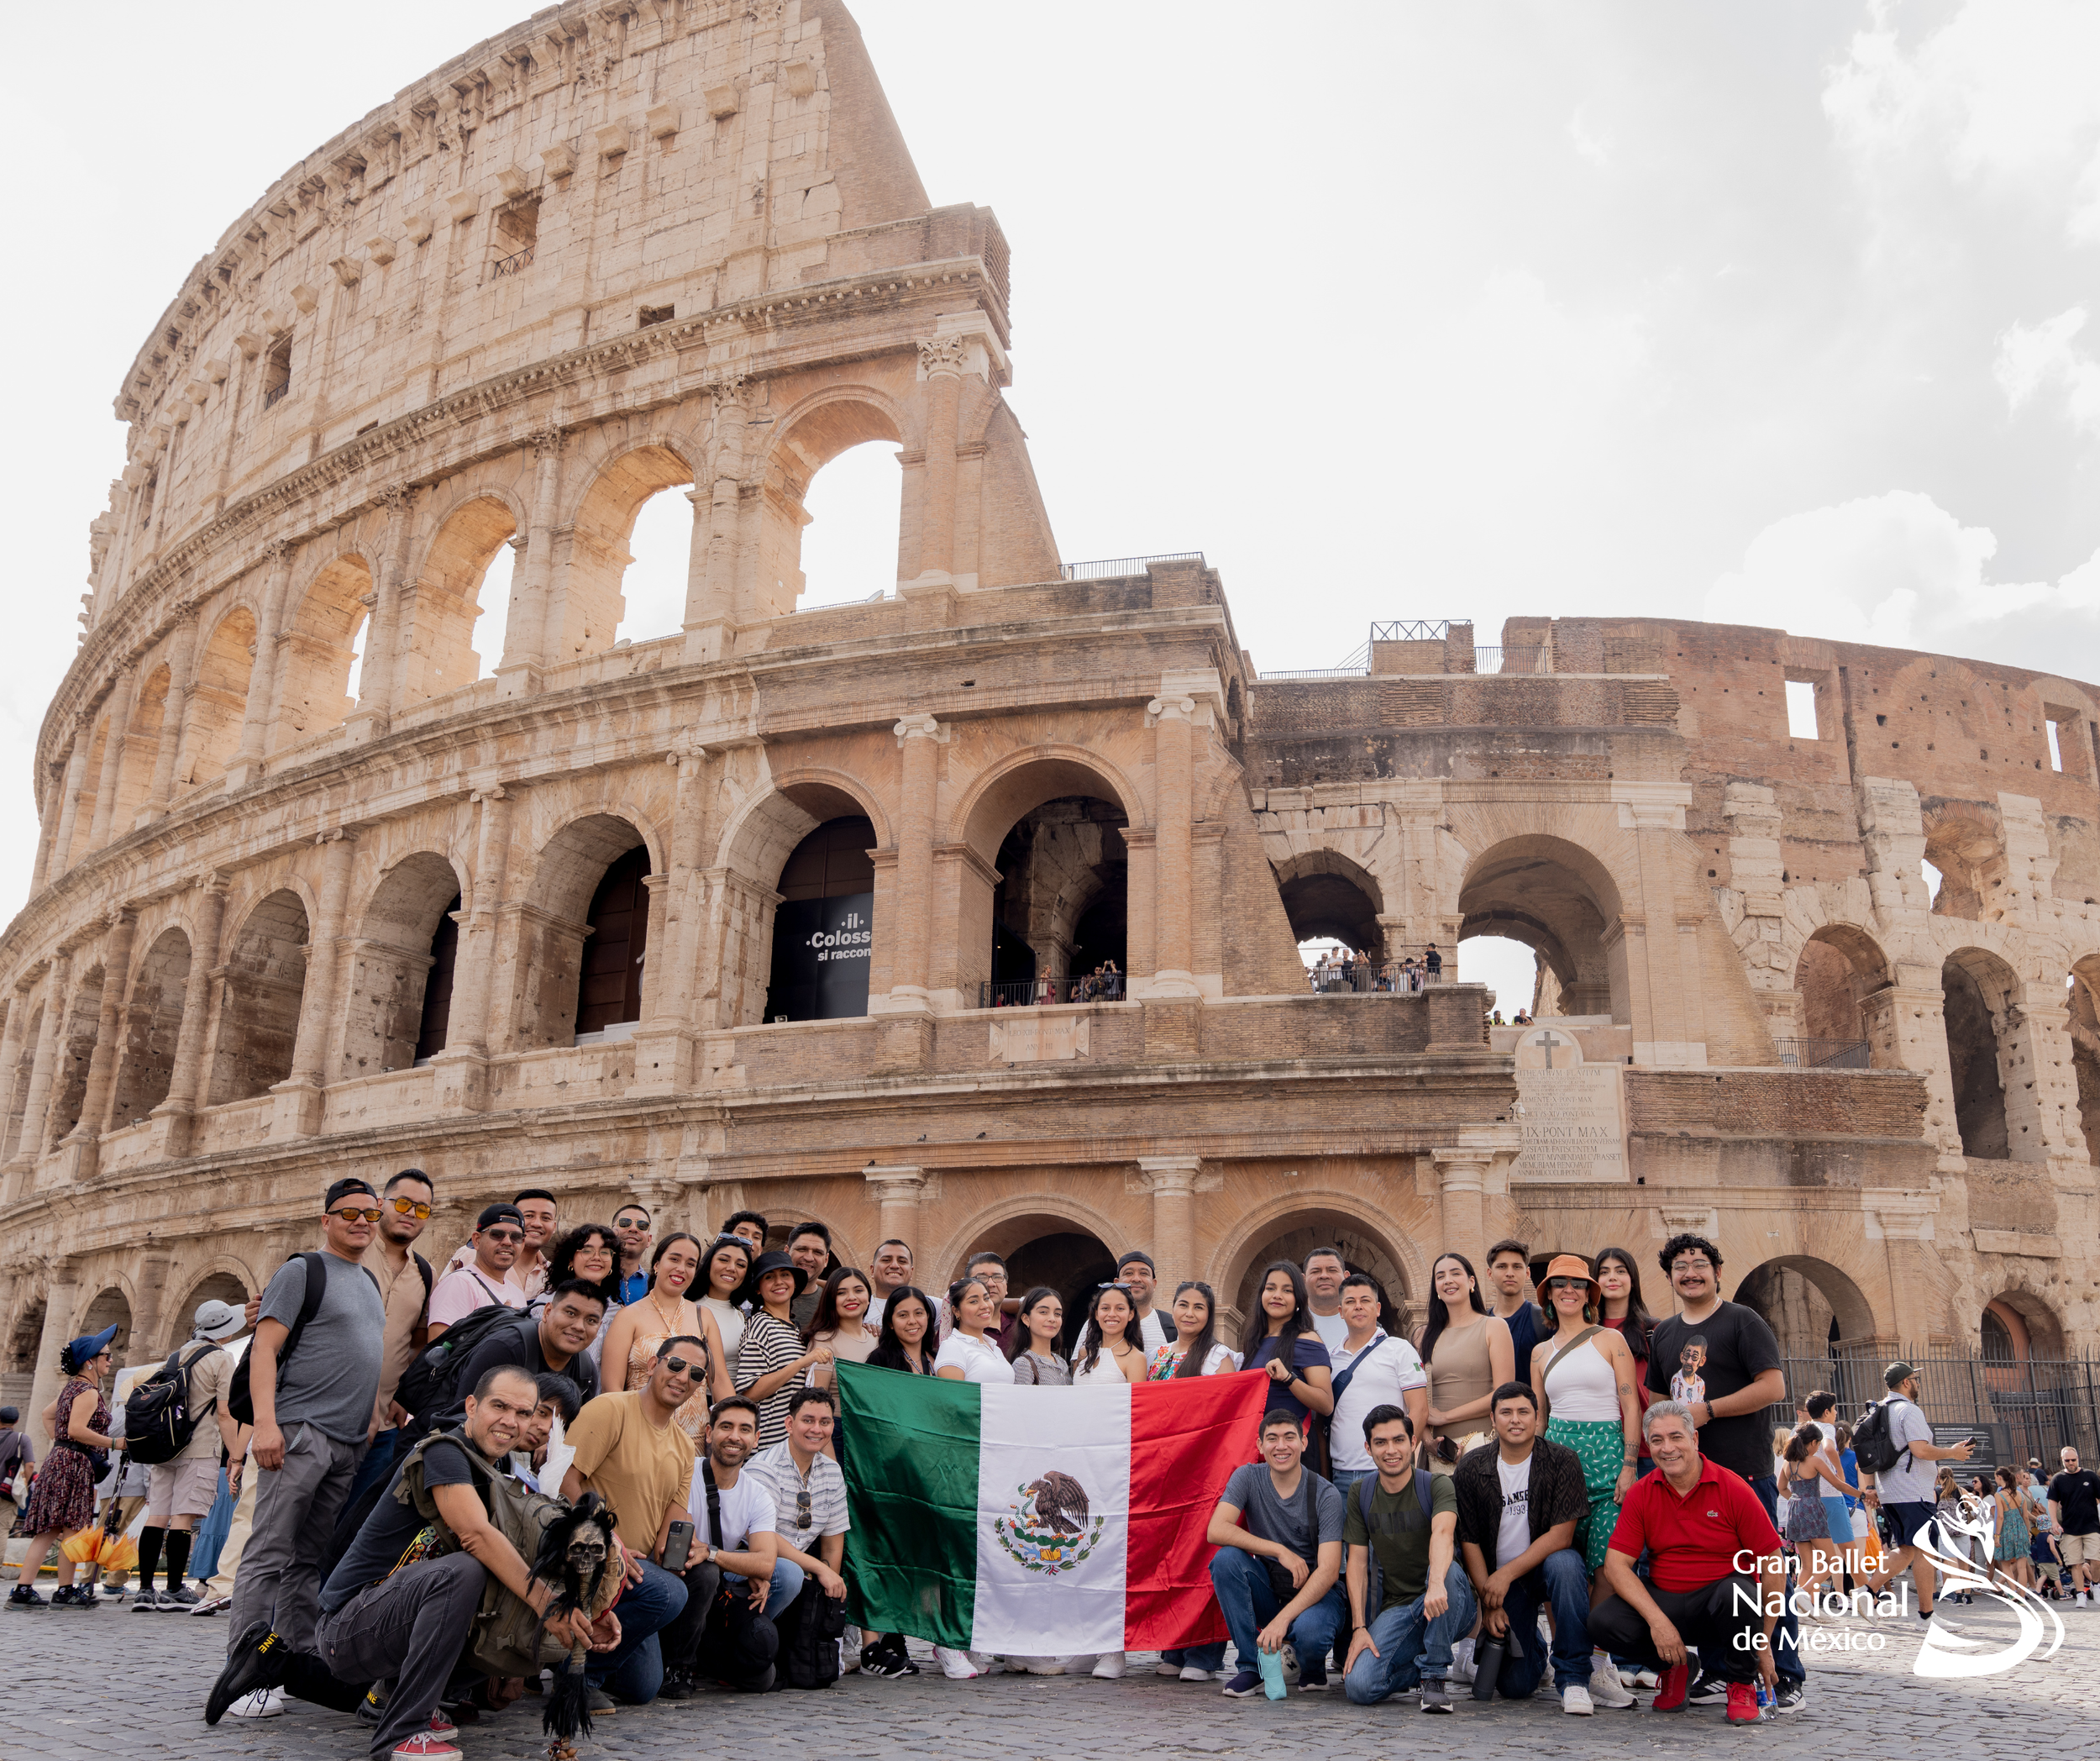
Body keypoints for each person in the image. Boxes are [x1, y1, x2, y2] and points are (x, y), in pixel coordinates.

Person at [311, 1364, 617, 1759]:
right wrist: (548, 1603)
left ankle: (396, 1695)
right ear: (472, 1406)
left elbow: (526, 1556)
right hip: (348, 1628)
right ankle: (402, 1733)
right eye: (499, 1406)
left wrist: (589, 1606)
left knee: (502, 1594)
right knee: (466, 1570)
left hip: (390, 1629)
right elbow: (476, 1535)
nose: (511, 1421)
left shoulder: (503, 1467)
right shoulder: (444, 1451)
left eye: (524, 1413)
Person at [218, 1178, 386, 1710]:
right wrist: (266, 1425)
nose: (362, 1222)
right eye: (350, 1213)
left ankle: (292, 1657)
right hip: (299, 1433)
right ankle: (243, 1672)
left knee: (308, 1559)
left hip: (345, 1442)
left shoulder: (367, 1281)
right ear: (327, 1220)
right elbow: (265, 1348)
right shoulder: (301, 1271)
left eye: (370, 1214)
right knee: (268, 1551)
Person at [1644, 1232, 1801, 1709]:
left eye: (1699, 1264)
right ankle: (1719, 1668)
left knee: (1765, 1570)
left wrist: (1706, 1412)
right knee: (1710, 1574)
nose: (1690, 1273)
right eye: (1680, 1267)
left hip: (1742, 1469)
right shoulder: (1666, 1333)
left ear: (1716, 1272)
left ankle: (1787, 1674)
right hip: (1687, 1482)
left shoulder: (1742, 1320)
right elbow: (1657, 1401)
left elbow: (1773, 1386)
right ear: (1670, 1277)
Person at [1588, 1400, 1785, 1725]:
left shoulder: (1733, 1488)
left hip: (1720, 1602)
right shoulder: (1641, 1492)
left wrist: (1762, 1643)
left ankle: (1740, 1683)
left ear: (1694, 1440)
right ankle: (1675, 1667)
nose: (1667, 1448)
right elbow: (1616, 1565)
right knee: (1602, 1622)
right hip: (1666, 1598)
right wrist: (1658, 1622)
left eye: (1676, 1437)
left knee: (1738, 1593)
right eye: (1656, 1440)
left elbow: (1773, 1563)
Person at [559, 1339, 705, 1706]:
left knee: (643, 1688)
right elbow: (565, 1482)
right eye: (676, 1364)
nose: (683, 1377)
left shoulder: (686, 1446)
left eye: (696, 1373)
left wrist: (689, 1547)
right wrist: (610, 1541)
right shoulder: (611, 1409)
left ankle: (582, 1652)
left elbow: (674, 1516)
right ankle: (577, 1676)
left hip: (634, 1572)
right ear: (654, 1364)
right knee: (670, 1594)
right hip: (591, 1555)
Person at [1455, 1381, 1614, 1711]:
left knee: (1568, 1564)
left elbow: (1561, 1536)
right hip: (1501, 1584)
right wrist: (1489, 1598)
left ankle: (1573, 1678)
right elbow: (1468, 1538)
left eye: (1524, 1412)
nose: (1515, 1420)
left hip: (1544, 1569)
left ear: (1537, 1416)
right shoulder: (1472, 1467)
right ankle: (1534, 1644)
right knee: (1516, 1686)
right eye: (1506, 1412)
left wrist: (1506, 1575)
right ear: (1492, 1419)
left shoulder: (1561, 1461)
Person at [658, 1395, 795, 1695]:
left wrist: (714, 1553)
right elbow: (681, 1545)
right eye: (726, 1427)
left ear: (756, 1439)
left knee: (761, 1677)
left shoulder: (756, 1494)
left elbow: (765, 1563)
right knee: (704, 1573)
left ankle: (734, 1645)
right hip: (677, 1579)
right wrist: (720, 1558)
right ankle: (679, 1666)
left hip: (720, 1590)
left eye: (745, 1429)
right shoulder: (686, 1471)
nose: (735, 1436)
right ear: (709, 1433)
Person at [1341, 1404, 1471, 1711]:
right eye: (1381, 1442)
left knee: (1447, 1570)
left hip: (1449, 1598)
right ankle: (1419, 1667)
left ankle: (1434, 1676)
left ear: (1413, 1443)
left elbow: (1442, 1534)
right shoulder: (1361, 1493)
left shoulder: (1436, 1485)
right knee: (1360, 1686)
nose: (1391, 1450)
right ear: (1368, 1448)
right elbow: (1357, 1563)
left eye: (1399, 1440)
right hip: (1400, 1606)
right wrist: (1359, 1628)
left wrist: (1436, 1583)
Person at [1207, 1411, 1347, 1696]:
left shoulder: (1326, 1494)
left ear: (1304, 1443)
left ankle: (1311, 1663)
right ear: (1260, 1445)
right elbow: (1216, 1530)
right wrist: (1278, 1550)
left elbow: (1330, 1570)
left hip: (1319, 1594)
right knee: (1225, 1561)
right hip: (1273, 1586)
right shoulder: (1247, 1476)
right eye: (1272, 1438)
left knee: (1310, 1635)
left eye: (1289, 1438)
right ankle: (1250, 1667)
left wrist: (1282, 1620)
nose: (1280, 1446)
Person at [1530, 1254, 1642, 1585]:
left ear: (1588, 1294)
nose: (1569, 1290)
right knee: (1559, 1567)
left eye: (1578, 1284)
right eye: (1559, 1283)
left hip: (1609, 1467)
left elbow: (1631, 1406)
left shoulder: (1610, 1339)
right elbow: (1540, 1418)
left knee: (1610, 1569)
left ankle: (1598, 1637)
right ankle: (1573, 1639)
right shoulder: (1539, 1352)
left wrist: (1630, 1464)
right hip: (1558, 1465)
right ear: (1548, 1293)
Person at [133, 1299, 247, 1610]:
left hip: (164, 1445)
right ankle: (173, 1589)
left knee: (157, 1515)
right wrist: (235, 1456)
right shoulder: (221, 1359)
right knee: (183, 1516)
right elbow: (225, 1413)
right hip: (199, 1447)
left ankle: (144, 1590)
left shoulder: (175, 1355)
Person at [409, 1280, 605, 1444]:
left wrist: (550, 1447)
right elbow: (464, 1417)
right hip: (436, 1444)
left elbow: (573, 1438)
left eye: (591, 1320)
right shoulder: (506, 1348)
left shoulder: (585, 1372)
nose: (579, 1326)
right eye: (570, 1313)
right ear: (547, 1312)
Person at [344, 1170, 436, 1516]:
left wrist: (402, 1396)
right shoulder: (349, 1252)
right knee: (301, 1516)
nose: (411, 1213)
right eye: (403, 1203)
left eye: (422, 1209)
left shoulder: (426, 1274)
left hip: (383, 1425)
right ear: (381, 1204)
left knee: (353, 1522)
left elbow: (418, 1343)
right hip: (329, 1419)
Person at [7, 1324, 118, 1607]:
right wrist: (114, 1444)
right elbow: (78, 1429)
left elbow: (48, 1415)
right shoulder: (89, 1392)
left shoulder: (73, 1387)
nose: (111, 1359)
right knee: (72, 1527)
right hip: (74, 1464)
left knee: (49, 1530)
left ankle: (23, 1590)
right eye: (106, 1355)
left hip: (60, 1460)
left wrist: (60, 1442)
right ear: (90, 1361)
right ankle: (65, 1590)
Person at [1858, 1360, 1977, 1621]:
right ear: (1907, 1383)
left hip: (1891, 1490)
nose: (1919, 1383)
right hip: (1913, 1491)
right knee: (1926, 1551)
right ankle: (1926, 1616)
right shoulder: (1909, 1411)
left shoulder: (1880, 1409)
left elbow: (1867, 1456)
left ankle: (1866, 1591)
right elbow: (1920, 1450)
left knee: (1906, 1549)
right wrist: (1952, 1453)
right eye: (1916, 1379)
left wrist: (1870, 1486)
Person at [749, 1387, 852, 1677]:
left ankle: (810, 1647)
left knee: (833, 1577)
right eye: (808, 1420)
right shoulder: (764, 1467)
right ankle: (748, 1637)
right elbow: (764, 1538)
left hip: (802, 1567)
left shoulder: (832, 1472)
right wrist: (819, 1568)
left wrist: (827, 1585)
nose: (817, 1429)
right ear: (789, 1424)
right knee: (791, 1573)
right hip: (755, 1561)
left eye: (825, 1422)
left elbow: (833, 1543)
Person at [600, 1232, 731, 1442]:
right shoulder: (628, 1316)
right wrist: (626, 1432)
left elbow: (720, 1381)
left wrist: (730, 1427)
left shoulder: (703, 1316)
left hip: (692, 1437)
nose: (681, 1268)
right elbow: (611, 1387)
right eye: (674, 1259)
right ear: (657, 1264)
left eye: (690, 1263)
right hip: (639, 1432)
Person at [1327, 1273, 1428, 1498]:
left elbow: (1419, 1410)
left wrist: (1401, 1460)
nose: (1358, 1307)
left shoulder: (1399, 1349)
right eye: (1350, 1302)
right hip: (1341, 1475)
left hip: (1387, 1471)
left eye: (1365, 1300)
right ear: (1341, 1312)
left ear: (1378, 1308)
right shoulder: (1330, 1358)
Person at [1419, 1252, 1513, 1475]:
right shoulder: (1425, 1336)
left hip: (1483, 1445)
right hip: (1439, 1454)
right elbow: (1419, 1395)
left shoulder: (1494, 1327)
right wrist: (1427, 1441)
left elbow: (1503, 1394)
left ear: (1471, 1282)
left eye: (1455, 1273)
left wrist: (1446, 1416)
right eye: (1440, 1276)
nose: (1448, 1280)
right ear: (1436, 1288)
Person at [736, 1251, 827, 1445]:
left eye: (785, 1275)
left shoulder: (793, 1328)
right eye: (769, 1277)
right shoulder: (760, 1324)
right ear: (759, 1289)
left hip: (789, 1445)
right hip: (765, 1446)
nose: (779, 1282)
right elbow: (749, 1392)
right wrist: (804, 1361)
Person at [1241, 1261, 1336, 1434]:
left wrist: (1288, 1379)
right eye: (1270, 1288)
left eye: (1287, 1290)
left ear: (1298, 1299)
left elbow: (1326, 1404)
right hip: (1258, 1446)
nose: (1277, 1295)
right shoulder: (1254, 1341)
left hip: (1296, 1447)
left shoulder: (1308, 1340)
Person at [530, 1222, 623, 1375]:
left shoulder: (618, 1313)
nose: (597, 1258)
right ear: (570, 1260)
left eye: (605, 1252)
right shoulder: (547, 1303)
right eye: (587, 1251)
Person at [425, 1204, 529, 1338]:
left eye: (516, 1236)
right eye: (497, 1234)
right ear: (477, 1240)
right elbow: (439, 1351)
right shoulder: (460, 1284)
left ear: (523, 1244)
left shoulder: (517, 1293)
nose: (507, 1242)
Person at [1594, 1246, 1653, 1480]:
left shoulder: (1652, 1330)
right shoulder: (1584, 1332)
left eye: (1620, 1271)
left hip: (1647, 1447)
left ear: (1632, 1279)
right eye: (1604, 1272)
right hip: (1601, 1446)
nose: (1612, 1278)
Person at [1074, 1250, 1170, 1356]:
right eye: (1129, 1273)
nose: (1136, 1279)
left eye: (1144, 1273)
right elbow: (1079, 1368)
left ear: (1154, 1284)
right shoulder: (1096, 1323)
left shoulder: (1171, 1325)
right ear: (1117, 1283)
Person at [1148, 1280, 1240, 1381]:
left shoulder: (1218, 1358)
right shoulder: (1153, 1355)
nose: (1189, 1314)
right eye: (1183, 1305)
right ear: (1173, 1310)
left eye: (1198, 1307)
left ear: (1209, 1315)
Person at [934, 1276, 1016, 1385]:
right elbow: (953, 1398)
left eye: (986, 1298)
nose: (985, 1306)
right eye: (974, 1301)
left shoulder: (994, 1348)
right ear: (956, 1311)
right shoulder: (953, 1347)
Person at [1485, 1238, 1542, 1390]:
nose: (1509, 1273)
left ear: (1527, 1273)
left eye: (1517, 1267)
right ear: (1490, 1274)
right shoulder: (1479, 1323)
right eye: (1502, 1267)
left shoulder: (1544, 1321)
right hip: (1489, 1412)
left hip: (1534, 1411)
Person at [698, 1233, 755, 1381]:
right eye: (723, 1260)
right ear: (708, 1265)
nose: (731, 1268)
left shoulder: (742, 1315)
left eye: (741, 1265)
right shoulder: (688, 1308)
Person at [2049, 1444, 2100, 1605]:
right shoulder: (2058, 1479)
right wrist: (2054, 1522)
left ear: (2078, 1458)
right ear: (2062, 1461)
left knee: (2096, 1560)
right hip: (2070, 1528)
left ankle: (2096, 1585)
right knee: (2075, 1563)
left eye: (2073, 1459)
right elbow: (2052, 1501)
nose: (2071, 1463)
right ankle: (2080, 1595)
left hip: (2091, 1525)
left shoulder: (2090, 1476)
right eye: (2067, 1460)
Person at [1072, 1281, 1148, 1386]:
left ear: (1131, 1314)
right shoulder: (1084, 1352)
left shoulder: (1135, 1358)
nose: (1112, 1314)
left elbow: (1135, 1401)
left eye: (1120, 1308)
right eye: (1105, 1308)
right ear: (1096, 1314)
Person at [865, 1286, 936, 1378]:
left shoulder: (938, 1357)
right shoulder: (880, 1359)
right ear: (890, 1323)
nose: (912, 1321)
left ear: (928, 1316)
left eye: (918, 1313)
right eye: (903, 1315)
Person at [1007, 1286, 1071, 1385]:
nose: (1052, 1319)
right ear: (1026, 1319)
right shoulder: (1024, 1365)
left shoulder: (1061, 1362)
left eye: (1057, 1314)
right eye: (1043, 1312)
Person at [1992, 1464, 2034, 1593]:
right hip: (2021, 1530)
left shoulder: (1999, 1495)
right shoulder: (2019, 1493)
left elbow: (2000, 1517)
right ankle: (2021, 1596)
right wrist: (2027, 1533)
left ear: (2000, 1477)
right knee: (2022, 1567)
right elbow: (2025, 1517)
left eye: (1995, 1477)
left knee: (2005, 1565)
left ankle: (2013, 1592)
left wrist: (1997, 1535)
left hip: (2006, 1531)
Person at [786, 1224, 837, 1332]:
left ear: (826, 1260)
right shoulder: (765, 1296)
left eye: (817, 1252)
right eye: (801, 1249)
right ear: (786, 1252)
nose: (809, 1258)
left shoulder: (834, 1303)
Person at [1303, 1248, 1349, 1354]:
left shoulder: (1366, 1324)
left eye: (1332, 1270)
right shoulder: (1290, 1324)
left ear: (1346, 1278)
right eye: (1315, 1271)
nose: (1324, 1276)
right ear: (1303, 1280)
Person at [612, 1202, 654, 1307]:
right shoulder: (596, 1278)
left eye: (642, 1226)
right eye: (625, 1223)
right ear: (611, 1233)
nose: (633, 1229)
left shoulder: (656, 1287)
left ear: (649, 1240)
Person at [867, 1239, 915, 1329]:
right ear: (872, 1270)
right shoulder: (859, 1307)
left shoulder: (929, 1305)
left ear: (911, 1272)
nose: (894, 1265)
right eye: (886, 1260)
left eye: (902, 1261)